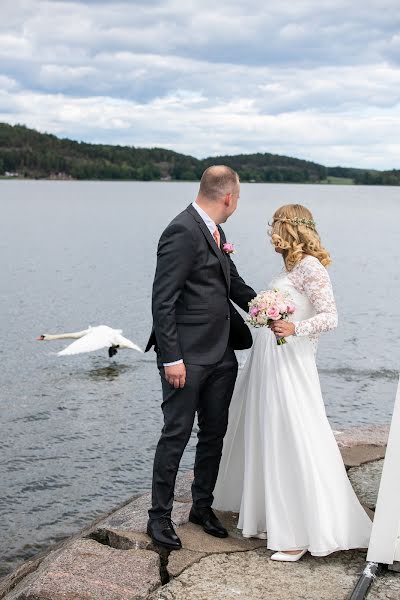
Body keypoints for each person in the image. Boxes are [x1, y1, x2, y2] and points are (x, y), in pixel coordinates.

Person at [213, 204, 372, 561]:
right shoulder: (291, 266)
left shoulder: (311, 267)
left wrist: (294, 327)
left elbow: (330, 317)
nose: (272, 233)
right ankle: (275, 515)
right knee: (269, 433)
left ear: (290, 228)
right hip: (270, 359)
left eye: (276, 226)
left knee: (293, 433)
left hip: (292, 362)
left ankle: (300, 531)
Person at [145, 165, 256, 550]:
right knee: (175, 435)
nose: (237, 202)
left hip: (222, 353)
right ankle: (158, 518)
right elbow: (163, 299)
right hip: (186, 358)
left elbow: (234, 284)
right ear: (228, 196)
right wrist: (171, 357)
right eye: (238, 196)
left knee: (213, 434)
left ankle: (201, 507)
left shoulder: (216, 231)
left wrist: (269, 310)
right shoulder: (181, 230)